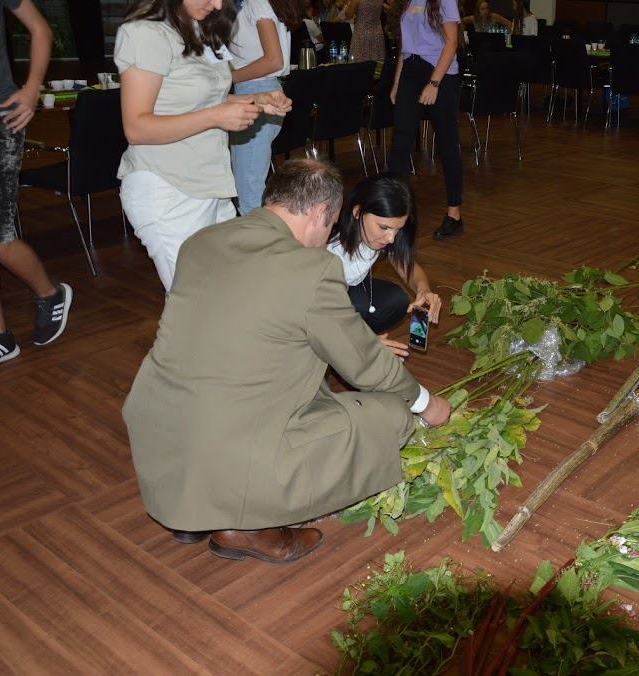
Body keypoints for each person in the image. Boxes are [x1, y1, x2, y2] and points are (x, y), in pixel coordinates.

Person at [122, 158, 452, 563]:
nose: (330, 233)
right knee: (389, 414)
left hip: (161, 440)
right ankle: (251, 526)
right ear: (318, 213)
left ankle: (196, 507)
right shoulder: (312, 268)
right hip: (233, 449)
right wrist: (426, 403)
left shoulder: (201, 241)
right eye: (331, 225)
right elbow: (365, 364)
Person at [115, 0, 292, 291]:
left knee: (228, 300)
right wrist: (214, 117)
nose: (218, 4)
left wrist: (254, 100)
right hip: (168, 190)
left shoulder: (196, 28)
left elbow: (200, 100)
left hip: (210, 187)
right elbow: (136, 127)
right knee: (198, 310)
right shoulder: (144, 32)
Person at [0, 0, 72, 364]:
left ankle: (50, 293)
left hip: (1, 119)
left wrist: (31, 90)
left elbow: (41, 29)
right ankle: (0, 338)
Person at [327, 173, 441, 354]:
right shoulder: (328, 247)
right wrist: (361, 342)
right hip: (321, 302)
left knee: (396, 300)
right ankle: (340, 353)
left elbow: (407, 266)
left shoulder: (382, 235)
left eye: (398, 229)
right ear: (357, 212)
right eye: (384, 227)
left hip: (351, 289)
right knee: (359, 306)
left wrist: (423, 289)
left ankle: (353, 346)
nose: (390, 238)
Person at [388, 0, 464, 240]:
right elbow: (405, 47)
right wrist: (397, 83)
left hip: (440, 73)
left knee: (447, 143)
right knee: (400, 141)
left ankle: (454, 214)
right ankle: (396, 213)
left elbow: (452, 42)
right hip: (411, 69)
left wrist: (434, 83)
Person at [230, 0, 302, 215]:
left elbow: (274, 61)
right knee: (250, 184)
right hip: (261, 89)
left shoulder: (256, 3)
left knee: (249, 190)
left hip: (255, 90)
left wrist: (224, 78)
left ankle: (259, 244)